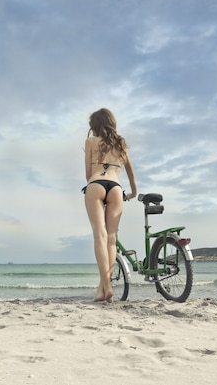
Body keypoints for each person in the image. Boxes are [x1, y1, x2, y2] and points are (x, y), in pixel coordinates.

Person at [82, 108, 137, 302]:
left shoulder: (90, 142)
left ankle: (106, 285)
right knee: (111, 238)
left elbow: (88, 175)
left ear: (94, 126)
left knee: (100, 235)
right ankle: (103, 289)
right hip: (116, 188)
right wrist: (133, 193)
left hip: (96, 184)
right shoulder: (121, 144)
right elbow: (131, 173)